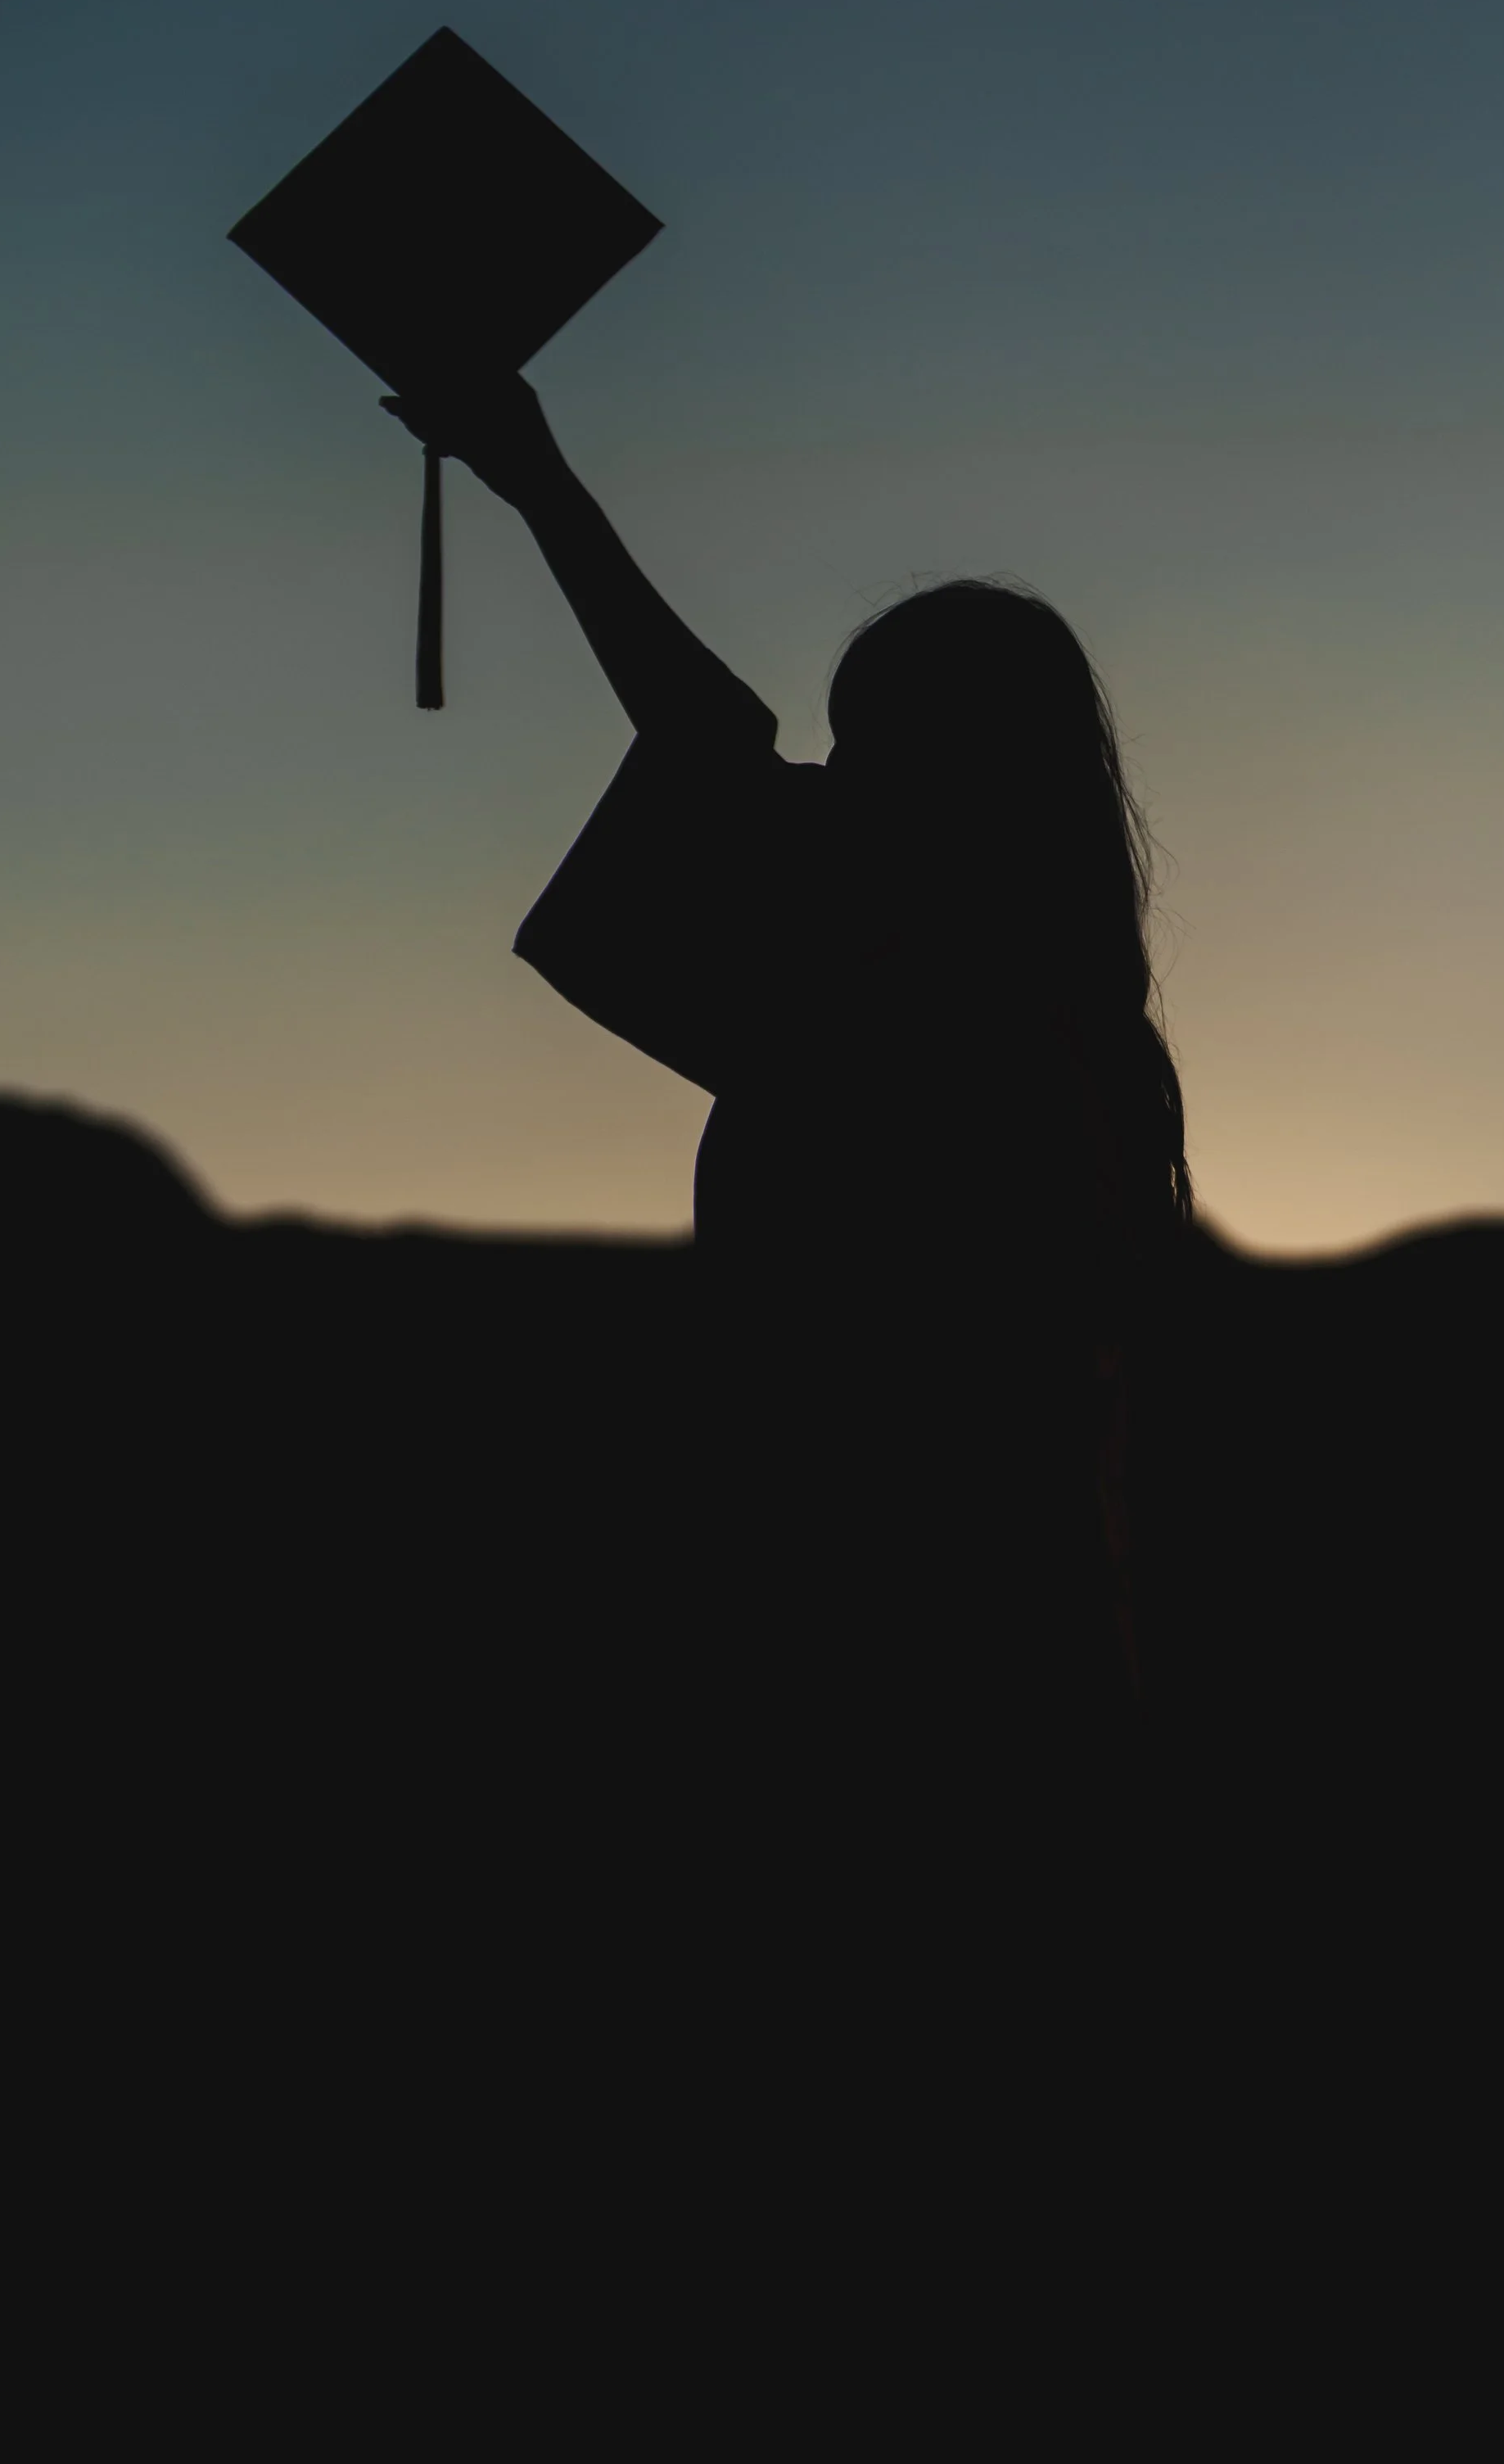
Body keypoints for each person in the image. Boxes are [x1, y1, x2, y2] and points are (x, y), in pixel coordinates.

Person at [382, 375, 1193, 1955]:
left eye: (871, 744)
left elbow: (704, 739)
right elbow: (714, 741)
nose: (830, 779)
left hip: (918, 1665)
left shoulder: (925, 1011)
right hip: (989, 1654)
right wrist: (538, 481)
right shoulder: (1034, 1012)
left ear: (965, 781)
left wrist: (542, 483)